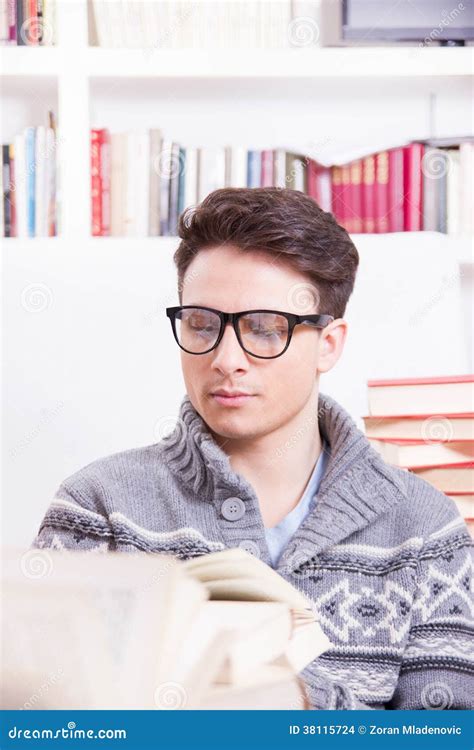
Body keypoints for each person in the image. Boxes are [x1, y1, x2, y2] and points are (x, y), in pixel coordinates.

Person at [32, 188, 473, 710]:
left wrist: (296, 699)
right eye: (201, 324)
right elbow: (38, 723)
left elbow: (446, 738)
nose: (226, 359)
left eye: (264, 330)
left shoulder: (426, 531)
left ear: (328, 344)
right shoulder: (96, 506)